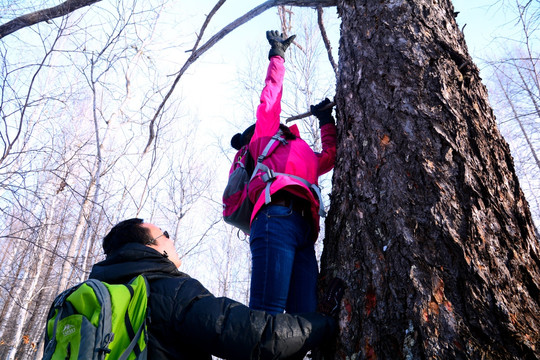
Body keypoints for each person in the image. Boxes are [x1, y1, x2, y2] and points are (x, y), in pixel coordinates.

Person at [88, 218, 340, 360]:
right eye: (164, 234)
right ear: (151, 247)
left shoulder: (99, 300)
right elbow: (257, 336)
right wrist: (324, 322)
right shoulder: (170, 292)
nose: (171, 238)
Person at [229, 31, 337, 315]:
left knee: (306, 318)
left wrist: (326, 120)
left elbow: (329, 158)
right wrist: (277, 55)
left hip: (304, 229)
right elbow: (271, 96)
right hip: (275, 218)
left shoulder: (298, 148)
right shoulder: (263, 139)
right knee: (267, 315)